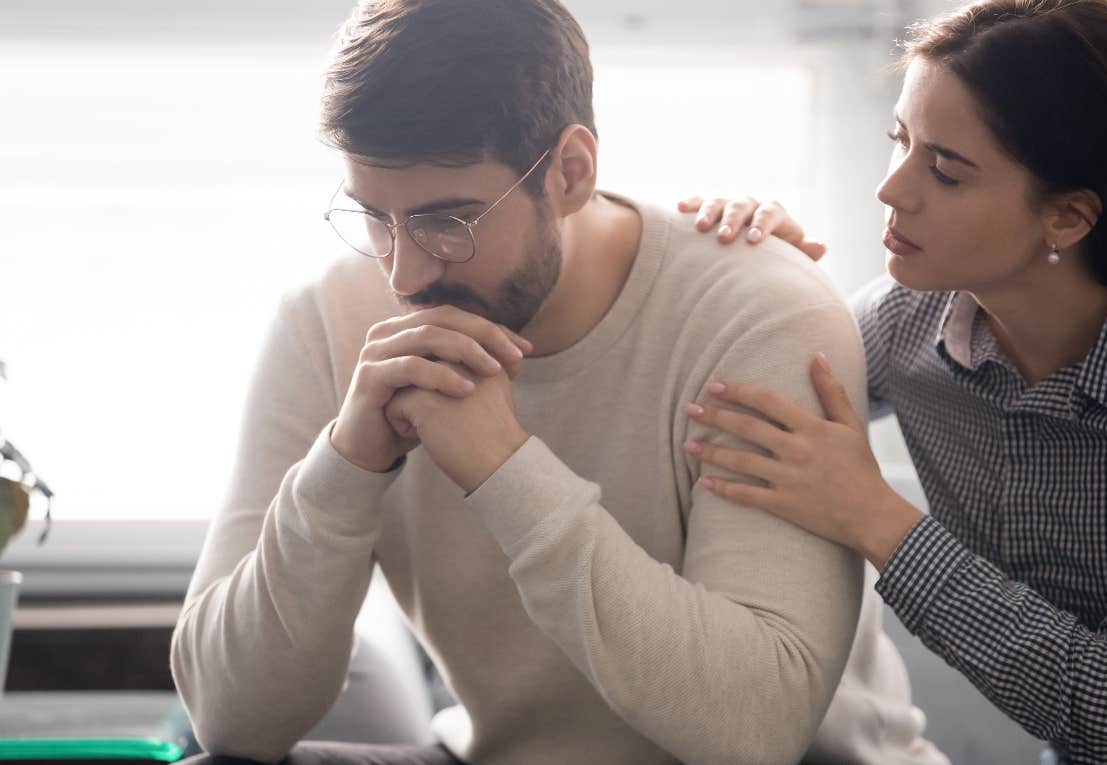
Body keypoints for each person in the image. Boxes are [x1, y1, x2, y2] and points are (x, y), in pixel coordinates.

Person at [169, 1, 947, 764]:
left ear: (570, 171)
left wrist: (507, 470)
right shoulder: (327, 320)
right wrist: (345, 467)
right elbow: (230, 719)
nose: (404, 272)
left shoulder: (759, 313)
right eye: (374, 216)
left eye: (450, 220)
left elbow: (754, 732)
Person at [678, 0, 1107, 763]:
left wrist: (870, 511)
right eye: (899, 140)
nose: (891, 189)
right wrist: (753, 270)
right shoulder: (906, 323)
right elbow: (736, 390)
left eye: (944, 169)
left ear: (1066, 217)